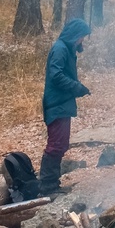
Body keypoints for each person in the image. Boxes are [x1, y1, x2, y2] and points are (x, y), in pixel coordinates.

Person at [41, 18, 91, 195]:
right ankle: (47, 187)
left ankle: (53, 185)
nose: (81, 41)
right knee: (56, 145)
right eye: (81, 38)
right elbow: (56, 75)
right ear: (75, 36)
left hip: (62, 103)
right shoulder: (60, 48)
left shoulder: (66, 49)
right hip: (56, 103)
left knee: (61, 144)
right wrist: (76, 87)